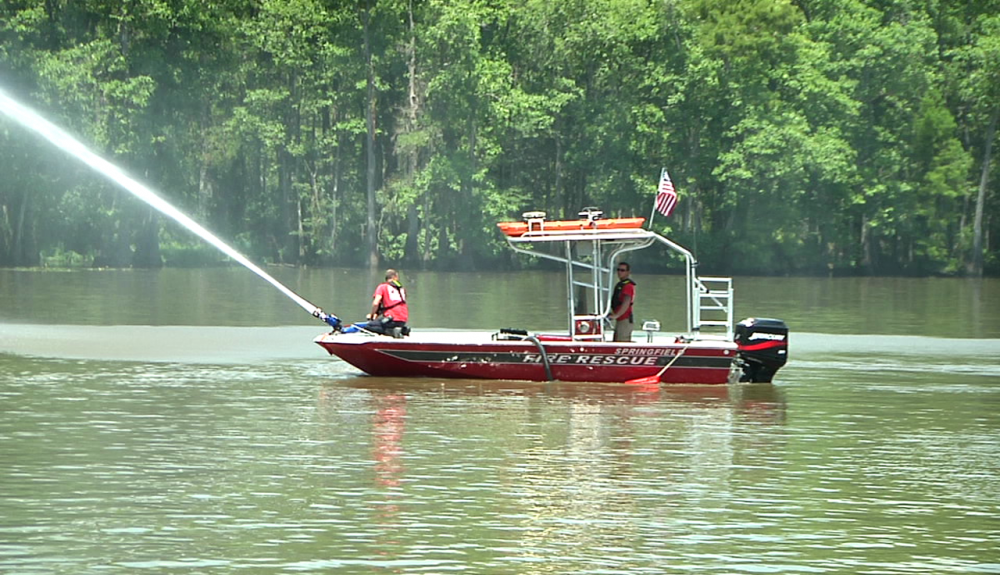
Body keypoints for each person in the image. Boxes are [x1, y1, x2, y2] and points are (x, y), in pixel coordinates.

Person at [366, 269, 409, 337]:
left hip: (392, 319)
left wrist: (371, 316)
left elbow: (376, 303)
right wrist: (378, 313)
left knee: (369, 326)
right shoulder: (401, 289)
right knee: (382, 323)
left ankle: (391, 332)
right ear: (395, 277)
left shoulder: (382, 287)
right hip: (403, 319)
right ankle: (403, 330)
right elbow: (393, 304)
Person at [608, 261, 636, 342]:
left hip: (625, 319)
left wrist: (616, 315)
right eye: (618, 270)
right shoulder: (621, 284)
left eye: (622, 270)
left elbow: (626, 303)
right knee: (616, 340)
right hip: (620, 319)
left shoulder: (628, 286)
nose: (619, 272)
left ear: (628, 272)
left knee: (621, 342)